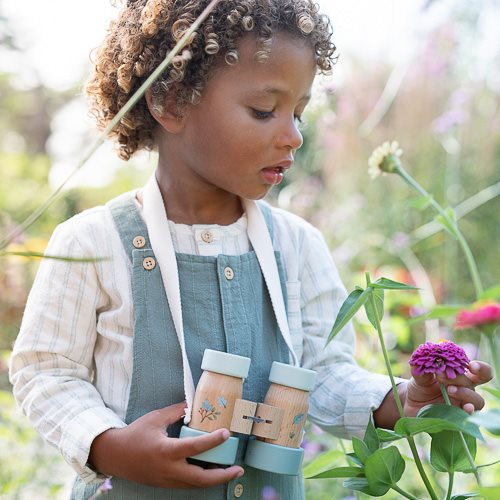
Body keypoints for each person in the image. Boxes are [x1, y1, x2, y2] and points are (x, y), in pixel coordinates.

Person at [9, 0, 492, 498]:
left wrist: (404, 399)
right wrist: (109, 446)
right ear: (171, 102)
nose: (293, 136)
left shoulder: (298, 246)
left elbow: (324, 377)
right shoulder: (92, 243)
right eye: (265, 111)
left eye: (299, 113)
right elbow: (46, 374)